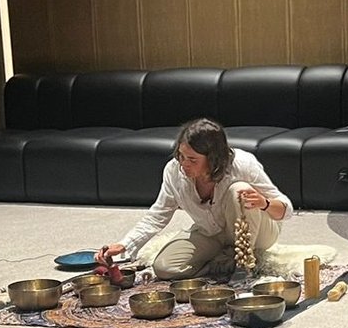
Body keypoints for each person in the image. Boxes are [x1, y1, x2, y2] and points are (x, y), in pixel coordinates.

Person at [93, 118, 294, 280]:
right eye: (181, 156)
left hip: (258, 232)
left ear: (214, 159)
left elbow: (286, 209)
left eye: (192, 160)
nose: (183, 164)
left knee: (239, 190)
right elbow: (157, 215)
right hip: (212, 233)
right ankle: (221, 265)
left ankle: (243, 265)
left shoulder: (242, 164)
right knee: (165, 268)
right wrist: (124, 245)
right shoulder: (173, 171)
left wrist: (264, 203)